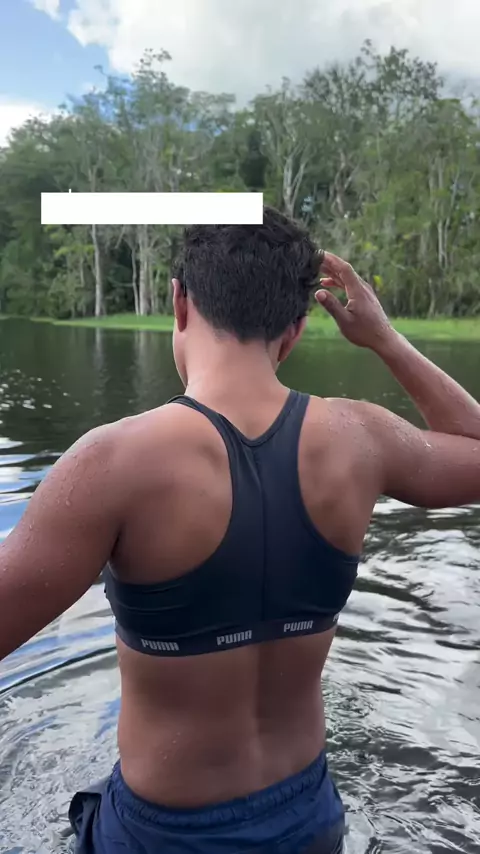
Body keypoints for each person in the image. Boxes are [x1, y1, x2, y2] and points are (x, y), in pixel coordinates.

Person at [1, 207, 480, 854]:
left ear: (179, 302)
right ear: (296, 329)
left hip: (162, 836)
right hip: (310, 818)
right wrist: (385, 340)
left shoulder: (113, 461)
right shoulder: (362, 438)